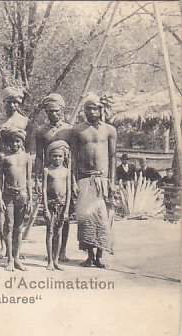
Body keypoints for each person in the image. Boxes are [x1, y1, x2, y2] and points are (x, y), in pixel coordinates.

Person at [72, 93, 116, 269]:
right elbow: (74, 158)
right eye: (88, 108)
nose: (91, 111)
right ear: (84, 110)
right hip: (84, 179)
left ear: (100, 110)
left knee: (103, 220)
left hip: (103, 180)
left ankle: (99, 256)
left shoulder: (110, 130)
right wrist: (74, 181)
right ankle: (89, 256)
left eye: (95, 108)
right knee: (86, 219)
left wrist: (112, 181)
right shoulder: (78, 130)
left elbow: (113, 157)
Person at [0, 86, 31, 258]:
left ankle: (15, 250)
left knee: (17, 217)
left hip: (19, 165)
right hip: (2, 162)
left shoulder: (24, 121)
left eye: (16, 102)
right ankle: (3, 246)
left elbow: (28, 146)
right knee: (2, 210)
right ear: (4, 103)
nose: (13, 105)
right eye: (9, 102)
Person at [34, 93, 73, 262]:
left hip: (65, 176)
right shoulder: (41, 131)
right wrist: (37, 178)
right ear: (46, 112)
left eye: (56, 111)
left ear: (62, 110)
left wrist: (72, 178)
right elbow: (39, 156)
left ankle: (62, 251)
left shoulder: (69, 130)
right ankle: (50, 253)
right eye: (50, 111)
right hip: (48, 176)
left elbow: (72, 156)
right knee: (50, 214)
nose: (53, 114)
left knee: (65, 213)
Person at [0, 126, 33, 271]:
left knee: (19, 228)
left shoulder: (26, 157)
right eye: (12, 142)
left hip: (22, 194)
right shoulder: (4, 157)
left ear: (22, 142)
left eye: (17, 141)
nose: (15, 145)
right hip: (8, 194)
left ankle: (17, 257)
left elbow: (29, 179)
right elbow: (0, 179)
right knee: (9, 225)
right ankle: (9, 259)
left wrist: (30, 199)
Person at [42, 140, 71, 271]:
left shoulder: (67, 172)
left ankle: (56, 260)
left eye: (60, 156)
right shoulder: (47, 170)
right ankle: (49, 261)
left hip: (62, 205)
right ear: (50, 156)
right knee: (50, 232)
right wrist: (46, 209)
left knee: (59, 232)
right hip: (51, 204)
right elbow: (43, 190)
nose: (57, 158)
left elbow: (69, 191)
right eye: (54, 156)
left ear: (64, 157)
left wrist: (66, 210)